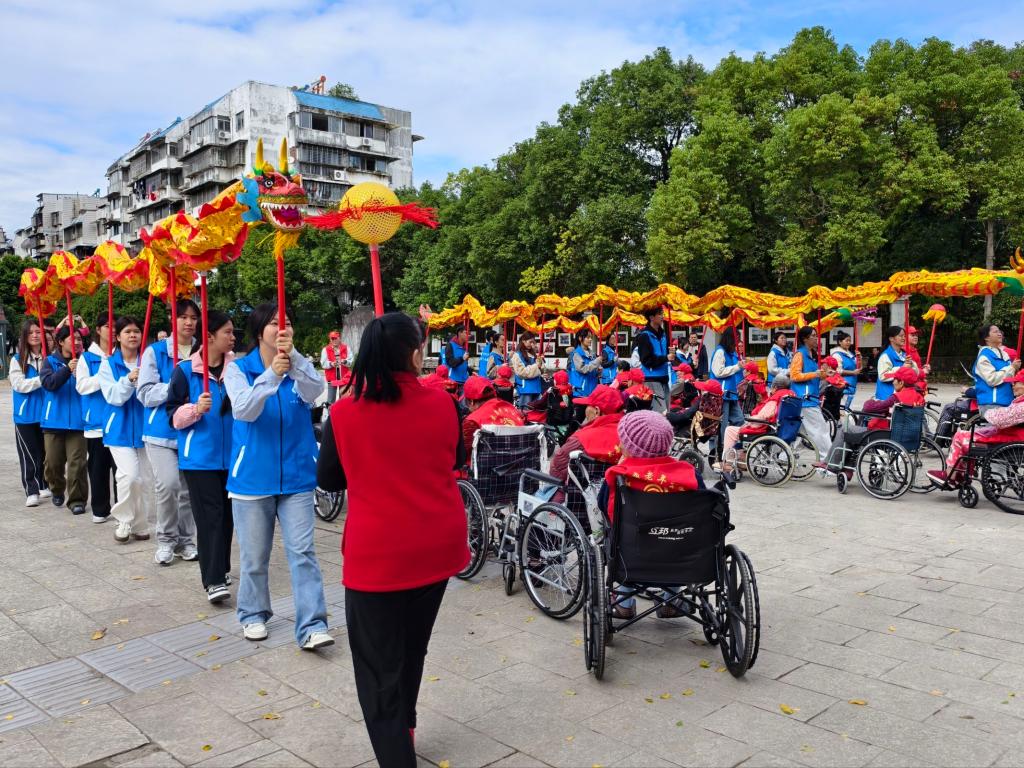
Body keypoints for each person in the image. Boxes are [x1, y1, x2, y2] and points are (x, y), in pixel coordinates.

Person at [316, 312, 468, 768]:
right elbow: (455, 459)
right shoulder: (444, 404)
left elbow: (329, 480)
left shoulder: (344, 413)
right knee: (411, 647)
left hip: (378, 556)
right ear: (415, 355)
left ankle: (398, 751)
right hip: (437, 545)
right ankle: (407, 725)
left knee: (378, 667)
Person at [225, 302, 332, 649]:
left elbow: (315, 392)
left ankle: (312, 625)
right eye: (274, 323)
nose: (281, 329)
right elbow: (244, 410)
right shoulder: (238, 369)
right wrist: (271, 374)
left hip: (297, 476)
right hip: (253, 478)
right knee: (255, 556)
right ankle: (252, 613)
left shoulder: (299, 367)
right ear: (260, 331)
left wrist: (294, 360)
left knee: (303, 553)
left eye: (287, 323)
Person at [598, 410, 702, 620]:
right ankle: (671, 600)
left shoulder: (619, 476)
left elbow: (603, 506)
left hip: (631, 557)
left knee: (621, 533)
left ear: (629, 447)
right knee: (674, 536)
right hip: (680, 557)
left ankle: (624, 603)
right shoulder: (689, 474)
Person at [166, 311, 236, 604]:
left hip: (233, 457)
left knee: (228, 518)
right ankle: (213, 579)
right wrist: (195, 409)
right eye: (227, 332)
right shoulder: (184, 371)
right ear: (209, 337)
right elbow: (172, 416)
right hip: (199, 459)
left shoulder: (237, 368)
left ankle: (222, 567)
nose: (232, 338)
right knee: (210, 517)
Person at [138, 299, 199, 565]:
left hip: (193, 430)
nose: (189, 322)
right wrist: (175, 386)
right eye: (183, 317)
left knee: (187, 490)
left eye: (193, 318)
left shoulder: (202, 349)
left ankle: (185, 541)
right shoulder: (156, 352)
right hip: (160, 432)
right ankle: (165, 539)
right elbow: (144, 393)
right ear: (172, 320)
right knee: (168, 484)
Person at [99, 317, 153, 544]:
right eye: (128, 331)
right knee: (129, 476)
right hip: (118, 429)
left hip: (146, 427)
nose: (133, 335)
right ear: (118, 336)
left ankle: (140, 524)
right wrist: (128, 380)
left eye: (137, 331)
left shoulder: (149, 361)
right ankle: (123, 520)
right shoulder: (108, 364)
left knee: (143, 480)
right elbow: (113, 396)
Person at [929, 372, 1024, 489]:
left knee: (961, 437)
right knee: (967, 436)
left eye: (1016, 383)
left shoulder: (1021, 406)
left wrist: (987, 413)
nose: (1012, 385)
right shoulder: (1019, 402)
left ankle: (952, 475)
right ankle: (961, 473)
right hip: (1012, 436)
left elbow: (999, 420)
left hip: (1010, 438)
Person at [823, 367, 924, 473]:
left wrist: (870, 401)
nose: (893, 382)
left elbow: (869, 408)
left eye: (894, 379)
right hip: (910, 436)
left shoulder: (897, 397)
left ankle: (832, 465)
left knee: (845, 429)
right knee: (854, 432)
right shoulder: (919, 397)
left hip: (886, 435)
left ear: (901, 382)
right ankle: (848, 467)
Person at [39, 326, 87, 512]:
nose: (77, 342)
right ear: (60, 342)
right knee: (52, 464)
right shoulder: (50, 361)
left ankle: (77, 500)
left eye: (79, 339)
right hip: (53, 421)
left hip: (78, 422)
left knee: (77, 464)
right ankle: (56, 488)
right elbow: (49, 384)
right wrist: (67, 370)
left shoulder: (85, 362)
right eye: (73, 339)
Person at [76, 312, 116, 523]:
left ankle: (123, 510)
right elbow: (82, 386)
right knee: (98, 469)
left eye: (116, 326)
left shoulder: (123, 354)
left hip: (120, 422)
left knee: (122, 472)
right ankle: (100, 509)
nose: (113, 330)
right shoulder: (87, 357)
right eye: (108, 326)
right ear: (98, 330)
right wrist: (104, 374)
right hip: (97, 423)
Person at [549, 384, 625, 492]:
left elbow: (556, 472)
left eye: (588, 406)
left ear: (597, 411)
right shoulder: (632, 435)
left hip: (581, 496)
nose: (585, 410)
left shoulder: (580, 439)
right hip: (619, 495)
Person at [721, 373, 795, 475]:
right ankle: (741, 458)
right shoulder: (790, 395)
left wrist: (750, 420)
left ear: (775, 387)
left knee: (730, 430)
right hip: (782, 427)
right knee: (741, 430)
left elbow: (764, 416)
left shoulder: (776, 397)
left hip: (764, 428)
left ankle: (728, 462)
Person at [11, 319, 51, 507]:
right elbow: (19, 385)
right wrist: (43, 379)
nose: (35, 335)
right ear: (25, 336)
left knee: (45, 452)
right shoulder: (17, 359)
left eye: (38, 332)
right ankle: (31, 490)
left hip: (47, 414)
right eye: (31, 332)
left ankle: (44, 484)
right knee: (29, 453)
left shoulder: (49, 358)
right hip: (25, 415)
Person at [789, 326, 831, 462]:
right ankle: (827, 460)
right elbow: (794, 376)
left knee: (799, 433)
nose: (816, 338)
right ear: (805, 339)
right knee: (820, 430)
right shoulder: (799, 355)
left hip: (809, 398)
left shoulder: (812, 355)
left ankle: (784, 456)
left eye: (816, 335)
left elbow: (814, 376)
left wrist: (825, 374)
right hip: (805, 399)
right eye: (813, 335)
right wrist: (815, 374)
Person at [710, 327, 746, 457]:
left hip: (731, 393)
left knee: (739, 420)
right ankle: (718, 453)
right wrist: (737, 367)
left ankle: (735, 449)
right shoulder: (720, 352)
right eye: (736, 338)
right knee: (722, 425)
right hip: (722, 394)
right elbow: (718, 372)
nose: (737, 342)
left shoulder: (731, 353)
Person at [461, 375, 525, 447]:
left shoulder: (472, 421)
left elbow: (464, 450)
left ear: (471, 401)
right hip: (520, 452)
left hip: (487, 454)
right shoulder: (513, 410)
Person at [972, 323, 1021, 416]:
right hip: (992, 404)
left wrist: (1016, 371)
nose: (999, 334)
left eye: (999, 331)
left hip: (1008, 402)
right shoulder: (984, 357)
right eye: (995, 332)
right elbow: (992, 379)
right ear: (986, 337)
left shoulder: (1004, 354)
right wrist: (1012, 368)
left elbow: (1009, 378)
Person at [635, 308, 675, 410]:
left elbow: (667, 356)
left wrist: (672, 353)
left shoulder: (663, 335)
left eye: (662, 314)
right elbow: (646, 360)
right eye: (659, 314)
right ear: (651, 317)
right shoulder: (644, 336)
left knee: (667, 411)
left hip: (664, 378)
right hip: (652, 379)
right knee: (660, 412)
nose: (662, 316)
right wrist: (665, 358)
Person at [874, 326, 919, 401]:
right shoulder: (885, 356)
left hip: (902, 396)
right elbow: (883, 376)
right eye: (901, 336)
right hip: (887, 397)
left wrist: (912, 365)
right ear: (891, 338)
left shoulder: (905, 355)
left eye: (904, 336)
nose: (904, 338)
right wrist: (902, 369)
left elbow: (915, 374)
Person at [510, 331, 545, 407]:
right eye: (530, 342)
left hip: (536, 388)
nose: (532, 344)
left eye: (533, 342)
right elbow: (522, 373)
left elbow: (541, 370)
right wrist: (536, 366)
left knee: (535, 412)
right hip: (525, 389)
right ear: (523, 341)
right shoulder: (517, 355)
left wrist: (540, 364)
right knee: (525, 411)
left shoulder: (533, 354)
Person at [569, 329, 602, 399]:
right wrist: (596, 362)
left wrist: (598, 371)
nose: (590, 339)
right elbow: (583, 369)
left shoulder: (592, 353)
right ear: (580, 338)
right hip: (581, 391)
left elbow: (592, 368)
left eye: (591, 337)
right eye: (588, 337)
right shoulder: (576, 354)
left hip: (592, 389)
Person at [320, 330, 351, 404]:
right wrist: (331, 364)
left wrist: (344, 362)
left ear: (339, 338)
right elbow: (323, 363)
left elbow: (350, 361)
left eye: (335, 338)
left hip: (344, 378)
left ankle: (342, 411)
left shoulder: (346, 348)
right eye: (332, 338)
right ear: (330, 339)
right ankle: (330, 412)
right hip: (332, 379)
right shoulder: (325, 349)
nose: (334, 340)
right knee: (331, 401)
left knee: (344, 399)